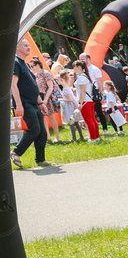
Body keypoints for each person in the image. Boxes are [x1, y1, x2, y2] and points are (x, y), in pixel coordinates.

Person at [10, 38, 51, 168]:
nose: (29, 47)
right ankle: (15, 152)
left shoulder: (26, 64)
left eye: (29, 45)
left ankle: (41, 160)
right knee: (34, 129)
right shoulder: (15, 63)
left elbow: (33, 86)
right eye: (25, 45)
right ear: (17, 48)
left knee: (42, 132)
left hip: (34, 103)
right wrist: (19, 104)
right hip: (25, 103)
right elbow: (13, 85)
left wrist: (41, 103)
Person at [72, 60, 100, 143]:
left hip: (85, 101)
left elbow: (82, 91)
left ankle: (93, 138)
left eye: (74, 67)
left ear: (79, 67)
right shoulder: (85, 76)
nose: (73, 69)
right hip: (89, 100)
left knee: (89, 120)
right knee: (92, 119)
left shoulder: (81, 78)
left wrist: (80, 103)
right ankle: (96, 136)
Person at [59, 71, 85, 142]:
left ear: (62, 80)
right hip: (72, 107)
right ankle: (81, 137)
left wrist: (61, 99)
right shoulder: (67, 87)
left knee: (71, 123)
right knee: (76, 122)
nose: (58, 82)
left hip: (70, 108)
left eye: (58, 80)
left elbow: (70, 99)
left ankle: (74, 138)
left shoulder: (65, 89)